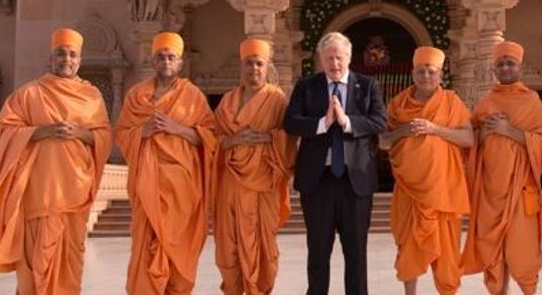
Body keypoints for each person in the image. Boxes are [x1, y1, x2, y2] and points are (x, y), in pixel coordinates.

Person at [0, 27, 112, 295]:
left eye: (72, 54)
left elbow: (104, 137)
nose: (67, 59)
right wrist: (39, 132)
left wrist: (79, 133)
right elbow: (5, 129)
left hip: (75, 191)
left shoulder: (92, 97)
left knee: (70, 259)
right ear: (51, 57)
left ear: (80, 59)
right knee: (35, 260)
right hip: (39, 193)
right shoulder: (29, 94)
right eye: (61, 54)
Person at [284, 31, 388, 295]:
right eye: (329, 58)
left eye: (339, 58)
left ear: (349, 58)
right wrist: (323, 123)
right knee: (318, 253)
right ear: (321, 59)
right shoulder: (306, 86)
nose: (334, 64)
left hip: (355, 183)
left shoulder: (367, 85)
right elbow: (291, 122)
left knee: (356, 254)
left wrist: (347, 121)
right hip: (318, 183)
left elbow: (379, 121)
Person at [115, 31, 217, 295]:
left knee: (177, 249)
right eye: (161, 56)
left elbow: (208, 137)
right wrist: (142, 132)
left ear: (180, 63)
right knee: (146, 247)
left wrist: (176, 128)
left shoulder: (192, 96)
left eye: (171, 57)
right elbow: (121, 134)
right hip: (146, 185)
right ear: (153, 60)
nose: (166, 61)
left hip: (181, 188)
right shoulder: (136, 96)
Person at [462, 40, 542, 295]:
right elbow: (469, 139)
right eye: (500, 63)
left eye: (509, 63)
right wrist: (484, 133)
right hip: (490, 192)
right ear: (495, 68)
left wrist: (508, 130)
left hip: (520, 190)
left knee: (522, 251)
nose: (504, 67)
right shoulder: (487, 102)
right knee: (493, 253)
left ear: (519, 68)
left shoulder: (531, 100)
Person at [381, 46, 473, 295]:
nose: (426, 76)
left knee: (447, 252)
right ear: (413, 73)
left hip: (443, 190)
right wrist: (404, 130)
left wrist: (435, 129)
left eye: (431, 72)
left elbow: (468, 138)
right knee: (408, 246)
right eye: (421, 71)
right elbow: (383, 140)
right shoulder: (398, 104)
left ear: (440, 75)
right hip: (409, 190)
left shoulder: (451, 102)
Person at [213, 38, 296, 295]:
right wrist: (233, 139)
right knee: (229, 245)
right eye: (249, 63)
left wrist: (270, 137)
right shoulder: (227, 102)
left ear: (267, 66)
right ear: (242, 67)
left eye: (259, 63)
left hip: (265, 182)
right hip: (232, 183)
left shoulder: (277, 99)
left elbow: (290, 137)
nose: (254, 69)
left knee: (263, 246)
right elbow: (211, 140)